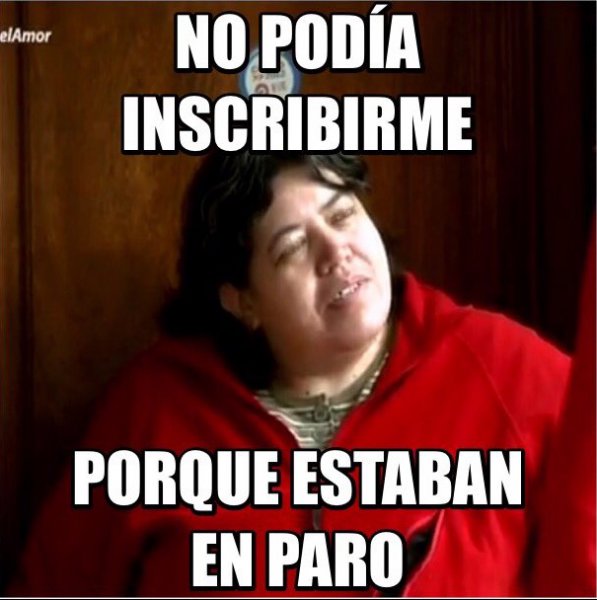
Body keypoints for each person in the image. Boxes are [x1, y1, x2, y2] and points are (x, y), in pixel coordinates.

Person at [7, 152, 588, 596]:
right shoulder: (153, 409)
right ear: (242, 301)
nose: (336, 252)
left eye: (343, 214)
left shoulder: (499, 365)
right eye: (291, 248)